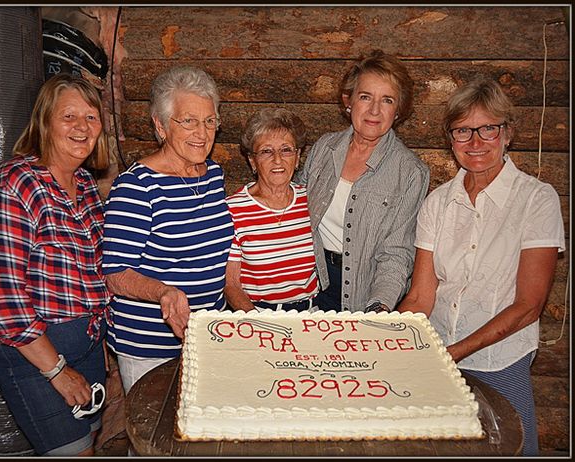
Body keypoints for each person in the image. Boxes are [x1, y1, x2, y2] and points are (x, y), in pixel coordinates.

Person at [397, 78, 565, 456]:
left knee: (512, 450)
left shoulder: (536, 200)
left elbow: (528, 306)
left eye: (488, 128)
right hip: (439, 357)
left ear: (508, 134)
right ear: (450, 138)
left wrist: (456, 351)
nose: (475, 142)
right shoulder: (437, 204)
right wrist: (389, 338)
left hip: (500, 362)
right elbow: (422, 295)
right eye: (463, 131)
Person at [0, 74, 112, 456]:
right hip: (37, 355)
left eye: (91, 118)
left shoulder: (85, 185)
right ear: (44, 123)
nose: (82, 127)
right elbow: (0, 297)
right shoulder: (14, 185)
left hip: (88, 344)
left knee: (89, 439)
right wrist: (56, 371)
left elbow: (92, 272)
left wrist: (100, 339)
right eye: (69, 117)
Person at [102, 66, 234, 393]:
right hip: (150, 348)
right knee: (154, 441)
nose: (202, 133)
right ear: (160, 126)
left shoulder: (213, 175)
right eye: (188, 121)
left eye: (209, 121)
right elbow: (116, 274)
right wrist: (164, 292)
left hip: (205, 336)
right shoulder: (136, 187)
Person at [295, 49, 430, 313]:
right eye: (366, 97)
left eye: (387, 100)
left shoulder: (411, 172)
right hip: (309, 285)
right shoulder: (325, 148)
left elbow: (397, 253)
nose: (374, 110)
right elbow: (296, 213)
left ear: (398, 110)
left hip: (365, 294)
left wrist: (379, 307)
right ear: (349, 101)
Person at [225, 108, 319, 312]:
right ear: (252, 160)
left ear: (297, 157)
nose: (277, 159)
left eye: (286, 150)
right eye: (267, 151)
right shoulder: (233, 210)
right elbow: (231, 285)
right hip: (258, 318)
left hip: (312, 318)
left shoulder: (313, 201)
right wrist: (257, 322)